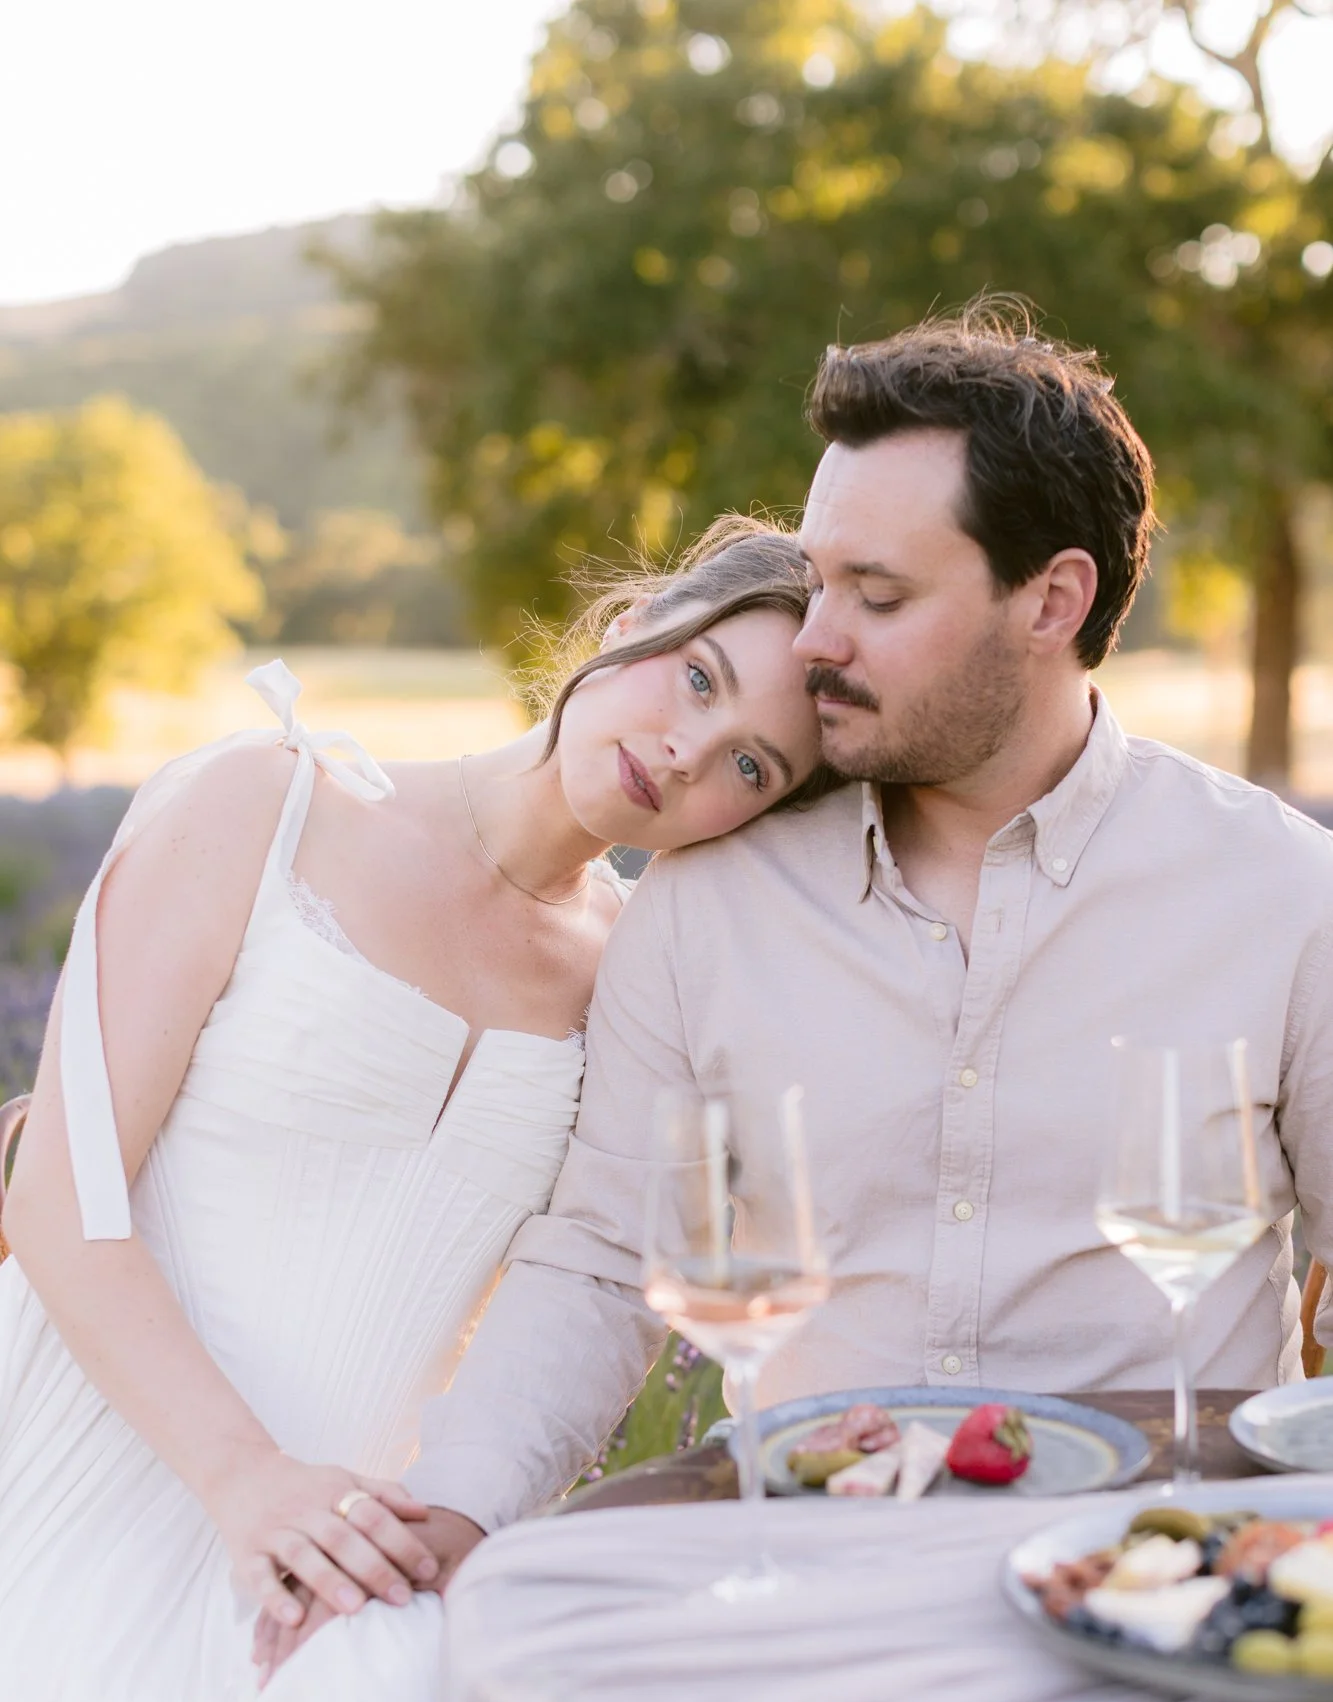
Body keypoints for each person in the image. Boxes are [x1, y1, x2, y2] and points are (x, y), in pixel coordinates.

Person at [0, 515, 829, 1702]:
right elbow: (63, 1199)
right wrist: (245, 1483)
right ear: (635, 622)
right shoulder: (265, 803)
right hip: (101, 1461)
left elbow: (584, 1285)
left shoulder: (635, 978)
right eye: (698, 680)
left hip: (354, 1533)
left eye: (754, 765)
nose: (692, 754)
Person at [378, 305, 1333, 1558]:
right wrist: (450, 1515)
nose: (814, 637)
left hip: (1153, 1579)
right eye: (818, 577)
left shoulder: (1282, 894)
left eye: (875, 595)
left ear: (1050, 600)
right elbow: (606, 1262)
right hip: (808, 1571)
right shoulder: (707, 901)